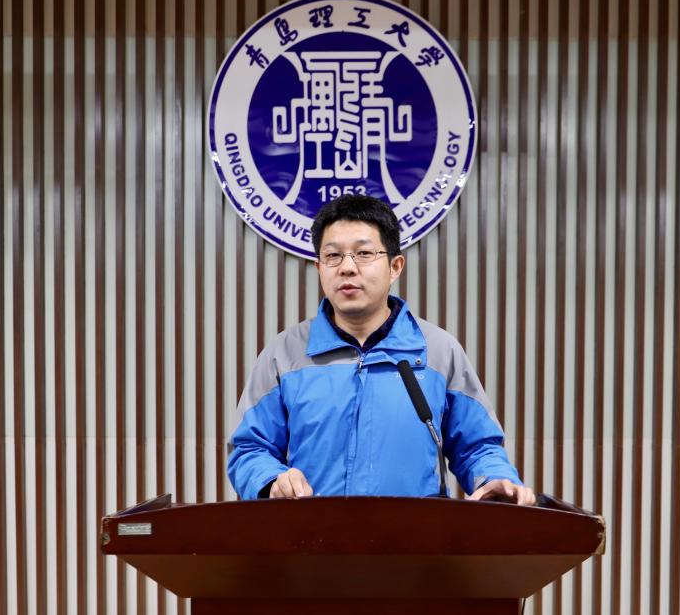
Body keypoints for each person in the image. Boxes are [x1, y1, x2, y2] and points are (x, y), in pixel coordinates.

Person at [227, 194, 535, 505]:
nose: (347, 268)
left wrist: (495, 479)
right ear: (319, 267)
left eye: (364, 253)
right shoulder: (284, 355)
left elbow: (477, 447)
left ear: (395, 266)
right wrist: (272, 481)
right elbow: (250, 449)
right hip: (313, 534)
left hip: (416, 534)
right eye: (333, 256)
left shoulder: (439, 352)